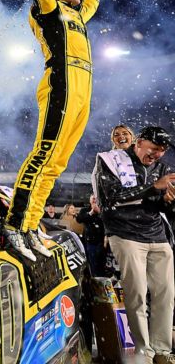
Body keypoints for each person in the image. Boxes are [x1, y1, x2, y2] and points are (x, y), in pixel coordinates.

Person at [4, 0, 107, 261]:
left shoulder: (79, 15)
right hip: (61, 84)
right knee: (44, 153)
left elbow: (91, 2)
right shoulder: (49, 9)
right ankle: (14, 225)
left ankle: (31, 226)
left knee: (58, 162)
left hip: (83, 90)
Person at [94, 126, 175, 363]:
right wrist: (153, 187)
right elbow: (111, 196)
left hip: (157, 236)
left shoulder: (161, 167)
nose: (158, 155)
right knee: (137, 293)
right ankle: (144, 351)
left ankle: (161, 351)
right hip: (125, 234)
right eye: (155, 149)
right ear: (139, 142)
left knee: (166, 293)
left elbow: (163, 207)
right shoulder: (109, 160)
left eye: (162, 151)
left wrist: (169, 200)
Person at [76, 194, 106, 276]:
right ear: (89, 200)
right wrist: (92, 212)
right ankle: (93, 281)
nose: (94, 200)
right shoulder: (85, 210)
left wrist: (100, 212)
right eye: (92, 198)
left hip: (102, 243)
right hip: (90, 242)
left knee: (101, 265)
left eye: (96, 198)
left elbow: (108, 222)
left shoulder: (103, 209)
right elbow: (79, 219)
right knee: (92, 265)